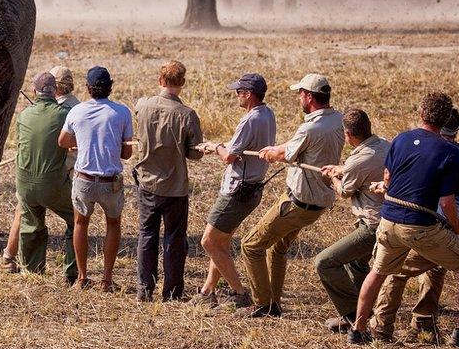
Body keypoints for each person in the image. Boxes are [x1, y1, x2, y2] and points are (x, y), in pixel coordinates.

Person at [349, 93, 459, 348]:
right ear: (445, 122)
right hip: (420, 228)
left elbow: (388, 178)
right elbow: (447, 203)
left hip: (388, 221)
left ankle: (358, 329)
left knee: (377, 272)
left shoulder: (400, 139)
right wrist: (458, 229)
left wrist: (386, 187)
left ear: (420, 113)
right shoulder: (449, 151)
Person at [244, 73, 344, 317]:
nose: (298, 97)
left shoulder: (309, 128)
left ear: (309, 97)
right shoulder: (337, 119)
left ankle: (263, 303)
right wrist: (277, 149)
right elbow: (294, 148)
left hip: (297, 203)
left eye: (300, 93)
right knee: (278, 248)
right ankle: (274, 303)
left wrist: (272, 153)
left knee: (251, 246)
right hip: (319, 203)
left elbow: (287, 154)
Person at [189, 73, 276, 309]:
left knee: (209, 242)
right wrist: (219, 146)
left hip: (237, 190)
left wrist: (215, 146)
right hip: (252, 189)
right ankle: (208, 291)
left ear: (248, 94)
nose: (236, 95)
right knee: (221, 242)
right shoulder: (267, 114)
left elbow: (229, 157)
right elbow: (241, 147)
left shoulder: (249, 120)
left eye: (239, 92)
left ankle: (239, 293)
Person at [133, 60, 204, 302]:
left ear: (160, 80)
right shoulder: (187, 115)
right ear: (182, 83)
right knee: (174, 239)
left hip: (147, 183)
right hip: (175, 187)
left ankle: (144, 289)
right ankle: (172, 292)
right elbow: (195, 153)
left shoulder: (142, 106)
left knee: (147, 235)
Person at [313, 108, 390, 332]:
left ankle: (352, 316)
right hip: (388, 220)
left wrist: (332, 178)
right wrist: (341, 168)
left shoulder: (358, 161)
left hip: (372, 226)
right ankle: (365, 312)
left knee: (325, 262)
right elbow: (364, 166)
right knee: (357, 262)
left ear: (348, 135)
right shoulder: (384, 145)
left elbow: (345, 191)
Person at [58, 66, 133, 292]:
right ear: (110, 87)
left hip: (84, 179)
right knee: (113, 224)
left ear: (88, 89)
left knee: (81, 223)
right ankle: (107, 279)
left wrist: (81, 142)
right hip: (110, 180)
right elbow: (127, 153)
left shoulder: (77, 111)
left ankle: (82, 277)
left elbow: (62, 141)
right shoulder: (122, 112)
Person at [0, 67, 79, 273]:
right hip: (54, 182)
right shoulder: (68, 112)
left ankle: (29, 268)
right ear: (55, 91)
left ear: (35, 92)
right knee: (77, 219)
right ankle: (72, 272)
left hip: (25, 182)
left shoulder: (24, 115)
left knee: (29, 218)